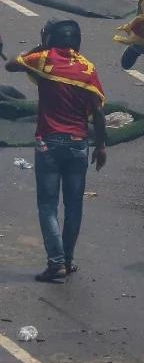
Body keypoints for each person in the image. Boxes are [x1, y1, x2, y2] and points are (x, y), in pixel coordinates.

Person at [6, 20, 107, 283]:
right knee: (74, 206)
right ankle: (68, 259)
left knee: (48, 206)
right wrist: (102, 145)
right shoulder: (88, 67)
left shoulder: (44, 59)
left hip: (48, 143)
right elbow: (97, 111)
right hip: (78, 144)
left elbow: (12, 63)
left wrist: (41, 45)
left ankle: (56, 262)